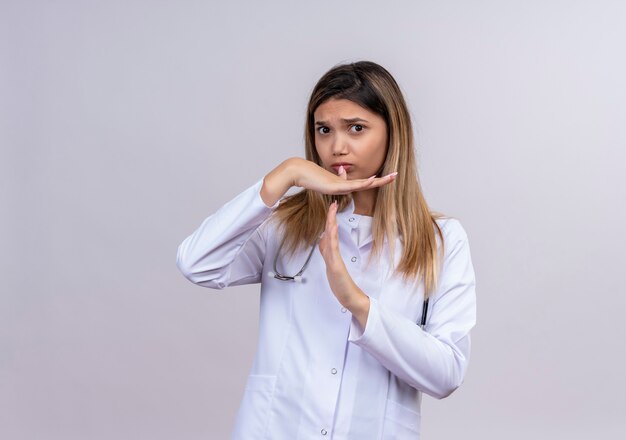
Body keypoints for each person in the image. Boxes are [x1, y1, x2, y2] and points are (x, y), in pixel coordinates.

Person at [176, 60, 477, 439]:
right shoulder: (283, 224)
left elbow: (446, 373)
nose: (337, 147)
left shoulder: (439, 240)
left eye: (356, 128)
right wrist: (284, 175)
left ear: (392, 133)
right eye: (324, 130)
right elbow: (196, 263)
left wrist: (356, 302)